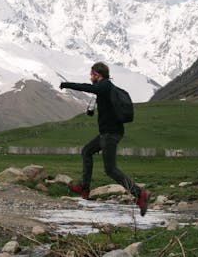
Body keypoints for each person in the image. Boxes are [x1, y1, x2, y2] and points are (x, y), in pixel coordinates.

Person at [60, 62, 151, 216]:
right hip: (106, 133)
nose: (90, 77)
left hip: (110, 134)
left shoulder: (104, 85)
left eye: (91, 74)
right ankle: (84, 188)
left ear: (97, 74)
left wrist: (66, 84)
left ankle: (140, 194)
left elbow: (87, 87)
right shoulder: (105, 88)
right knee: (87, 151)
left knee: (111, 170)